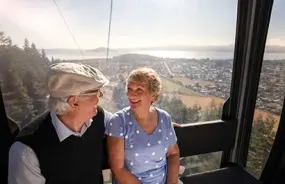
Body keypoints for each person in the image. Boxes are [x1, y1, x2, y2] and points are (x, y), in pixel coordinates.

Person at [8, 62, 112, 184]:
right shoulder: (26, 151)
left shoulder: (102, 120)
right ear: (74, 102)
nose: (100, 96)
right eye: (96, 92)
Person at [106, 67, 180, 184]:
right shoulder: (119, 122)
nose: (132, 95)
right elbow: (118, 169)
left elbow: (173, 153)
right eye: (129, 89)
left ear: (153, 96)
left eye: (139, 89)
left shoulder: (164, 118)